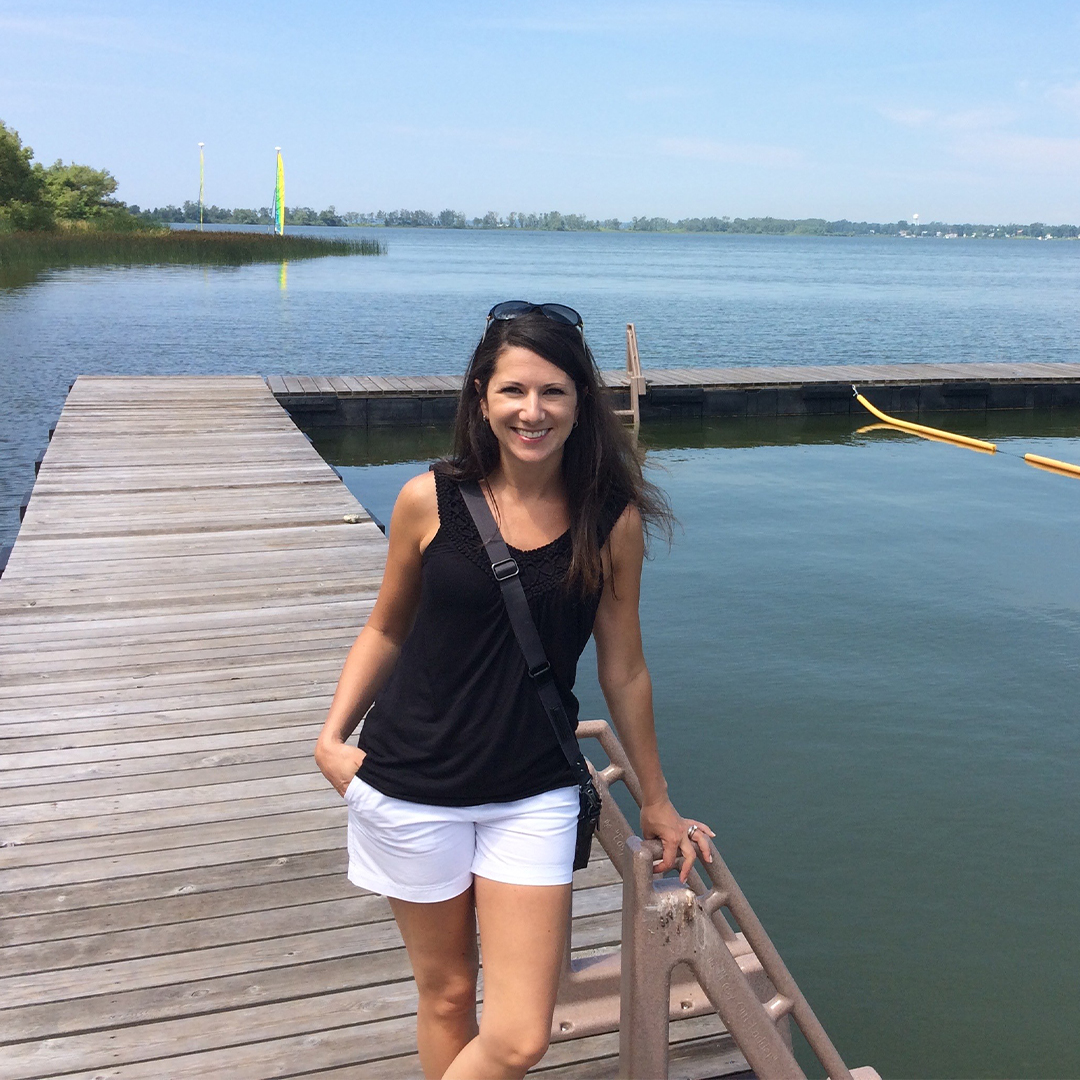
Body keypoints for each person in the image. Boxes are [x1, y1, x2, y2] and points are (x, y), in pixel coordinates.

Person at [314, 301, 714, 1080]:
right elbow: (386, 628)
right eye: (514, 391)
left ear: (580, 402)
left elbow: (623, 667)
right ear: (481, 395)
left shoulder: (610, 522)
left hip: (530, 790)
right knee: (447, 995)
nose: (533, 412)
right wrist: (332, 738)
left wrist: (657, 799)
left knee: (522, 1034)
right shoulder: (428, 499)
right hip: (407, 782)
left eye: (554, 392)